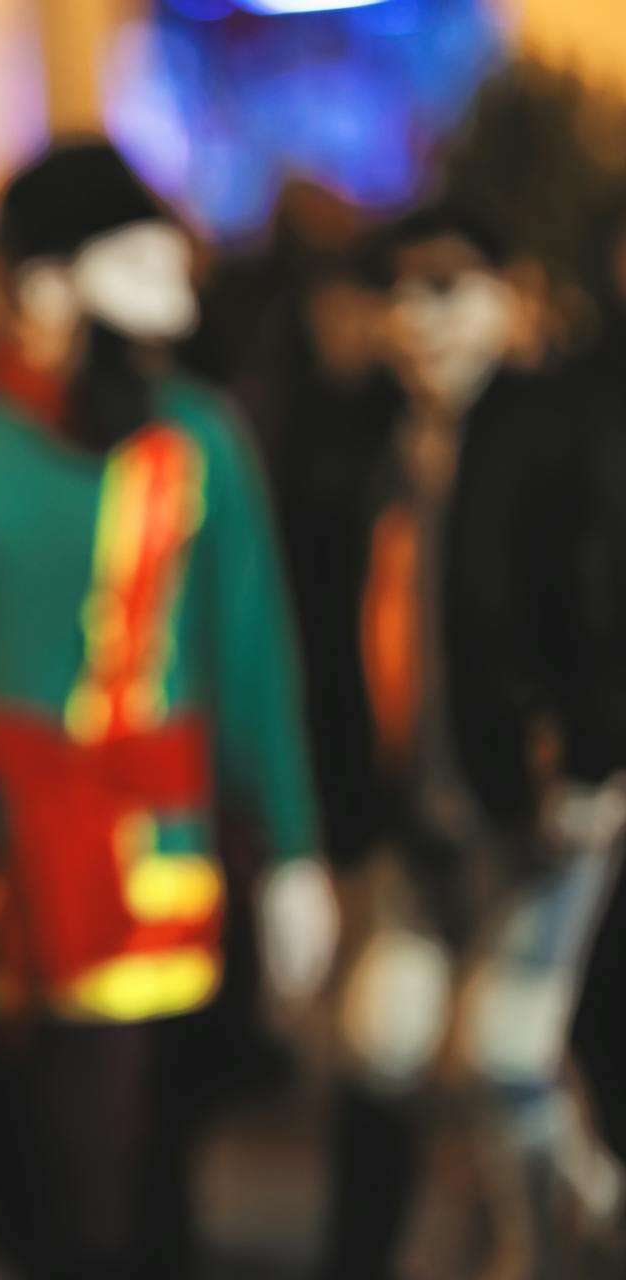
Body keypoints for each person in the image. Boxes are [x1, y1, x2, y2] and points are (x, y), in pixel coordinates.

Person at [0, 140, 337, 1278]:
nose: (177, 300)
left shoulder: (196, 435)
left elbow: (253, 657)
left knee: (120, 1173)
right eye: (139, 264)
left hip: (139, 851)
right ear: (45, 280)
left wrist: (292, 847)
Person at [316, 205, 626, 1280]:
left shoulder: (562, 427)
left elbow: (603, 603)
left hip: (542, 803)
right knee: (384, 1036)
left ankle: (545, 1243)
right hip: (431, 801)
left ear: (511, 294)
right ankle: (552, 1196)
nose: (416, 316)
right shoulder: (377, 442)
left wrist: (591, 759)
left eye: (446, 288)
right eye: (397, 290)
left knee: (502, 1045)